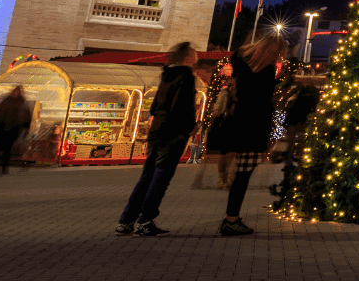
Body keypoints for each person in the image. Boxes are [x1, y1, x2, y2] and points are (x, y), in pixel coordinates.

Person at [115, 43, 200, 235]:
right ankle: (146, 220)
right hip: (174, 131)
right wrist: (190, 128)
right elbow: (182, 106)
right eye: (194, 55)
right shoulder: (185, 76)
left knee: (147, 175)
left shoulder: (166, 76)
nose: (197, 59)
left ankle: (126, 220)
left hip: (157, 128)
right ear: (187, 58)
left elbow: (154, 107)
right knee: (161, 177)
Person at [209, 33, 287, 236]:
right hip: (253, 129)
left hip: (236, 123)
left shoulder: (241, 62)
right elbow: (264, 104)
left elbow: (238, 58)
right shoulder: (266, 71)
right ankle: (231, 219)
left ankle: (231, 216)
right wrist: (270, 134)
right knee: (243, 175)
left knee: (240, 174)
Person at [0, 86, 33, 175]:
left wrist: (26, 128)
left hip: (13, 129)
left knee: (7, 150)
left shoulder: (22, 102)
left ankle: (3, 168)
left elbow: (26, 117)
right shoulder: (7, 101)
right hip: (1, 129)